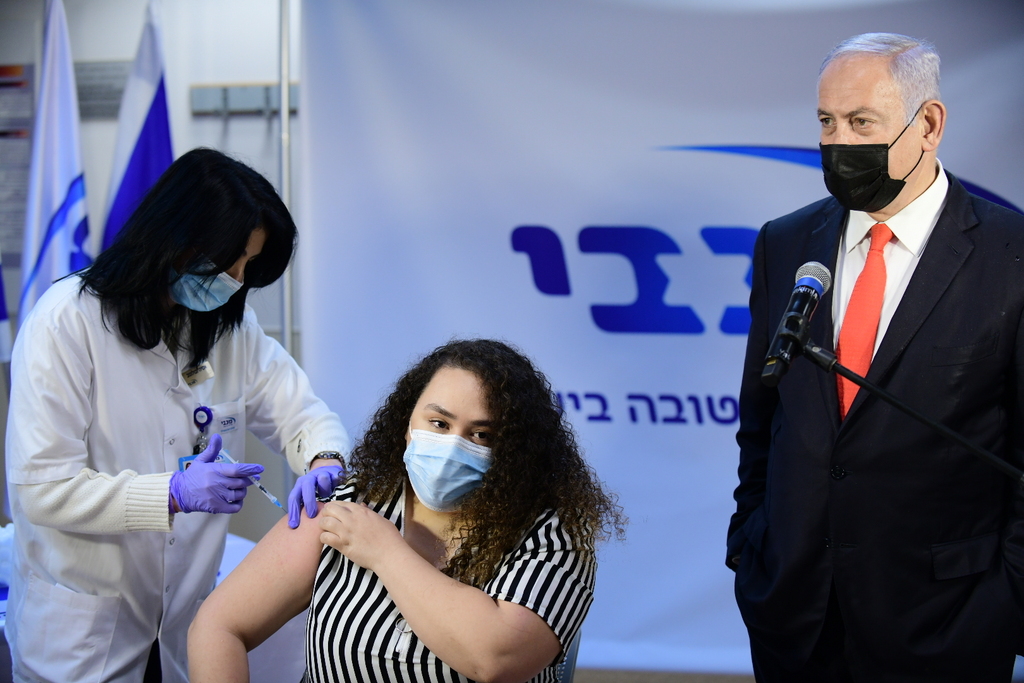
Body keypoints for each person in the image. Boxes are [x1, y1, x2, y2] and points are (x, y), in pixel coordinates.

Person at [728, 33, 1024, 682]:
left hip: (948, 623)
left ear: (929, 125)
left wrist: (1004, 603)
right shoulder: (784, 243)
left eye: (862, 122)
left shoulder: (1012, 255)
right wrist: (752, 547)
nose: (838, 144)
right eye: (827, 123)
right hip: (794, 617)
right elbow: (761, 417)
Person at [6, 148, 351, 683]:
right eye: (229, 260)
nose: (237, 280)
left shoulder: (230, 330)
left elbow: (302, 414)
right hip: (81, 638)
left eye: (247, 266)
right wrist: (171, 493)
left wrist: (323, 461)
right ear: (175, 237)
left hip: (184, 631)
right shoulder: (65, 323)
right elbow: (42, 489)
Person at [188, 339, 625, 683]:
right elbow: (219, 626)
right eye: (439, 423)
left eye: (482, 435)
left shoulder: (553, 537)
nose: (454, 444)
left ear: (517, 451)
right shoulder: (354, 501)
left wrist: (385, 552)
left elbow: (495, 658)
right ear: (406, 422)